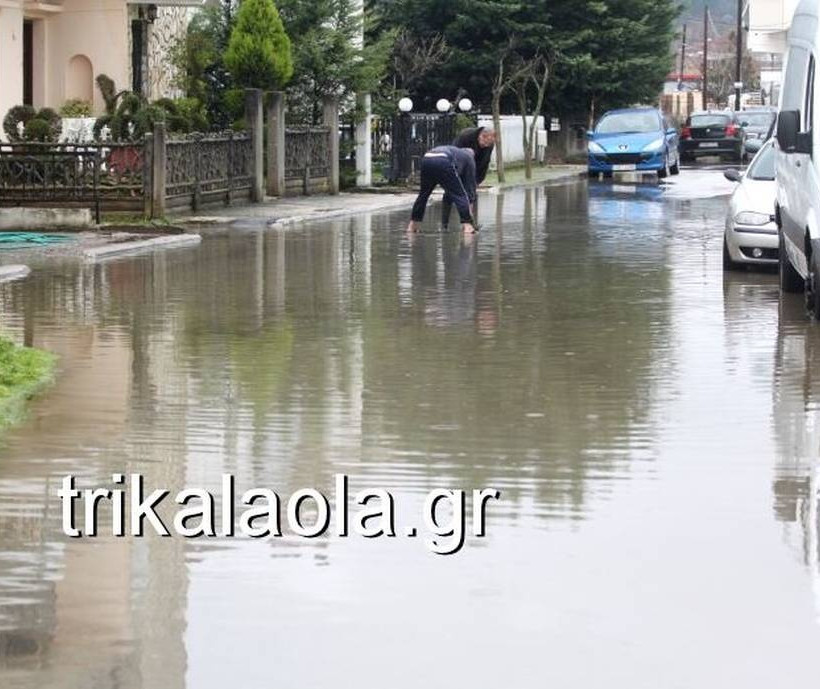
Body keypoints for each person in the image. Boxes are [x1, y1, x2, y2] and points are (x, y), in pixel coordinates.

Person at [407, 146, 477, 234]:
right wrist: (470, 219)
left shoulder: (456, 152)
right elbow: (469, 191)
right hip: (443, 160)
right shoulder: (469, 158)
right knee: (460, 194)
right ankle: (468, 227)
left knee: (423, 195)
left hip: (427, 158)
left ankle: (412, 226)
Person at [441, 127, 495, 229]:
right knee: (449, 194)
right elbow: (452, 153)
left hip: (474, 168)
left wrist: (478, 180)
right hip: (458, 165)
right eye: (485, 143)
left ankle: (469, 223)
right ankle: (444, 224)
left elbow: (485, 162)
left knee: (471, 194)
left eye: (488, 145)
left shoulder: (489, 144)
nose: (486, 146)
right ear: (481, 136)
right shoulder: (465, 136)